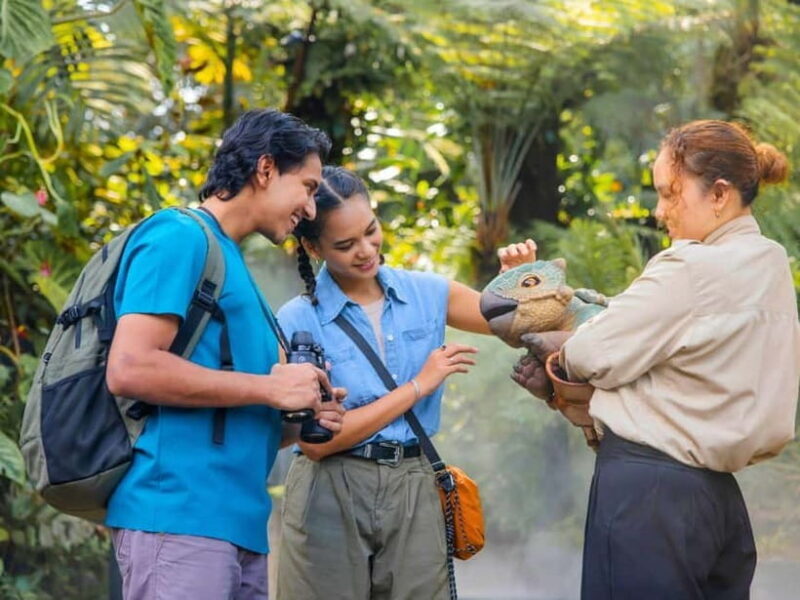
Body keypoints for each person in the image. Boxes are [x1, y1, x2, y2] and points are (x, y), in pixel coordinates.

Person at [513, 119, 800, 599]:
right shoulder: (771, 263)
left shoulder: (690, 265)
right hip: (721, 506)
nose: (660, 211)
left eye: (670, 193)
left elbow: (590, 353)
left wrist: (569, 344)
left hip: (649, 499)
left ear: (719, 194)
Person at [104, 109, 346, 600]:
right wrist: (270, 387)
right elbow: (130, 368)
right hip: (179, 517)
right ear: (266, 169)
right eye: (307, 187)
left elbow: (236, 411)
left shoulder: (234, 268)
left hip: (239, 529)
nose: (311, 209)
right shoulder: (178, 236)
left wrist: (300, 417)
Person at [274, 166, 534, 599]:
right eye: (345, 244)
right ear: (313, 247)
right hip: (330, 490)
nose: (365, 251)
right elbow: (317, 444)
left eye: (370, 231)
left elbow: (513, 323)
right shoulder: (297, 319)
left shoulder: (428, 292)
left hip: (414, 480)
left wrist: (520, 279)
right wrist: (417, 386)